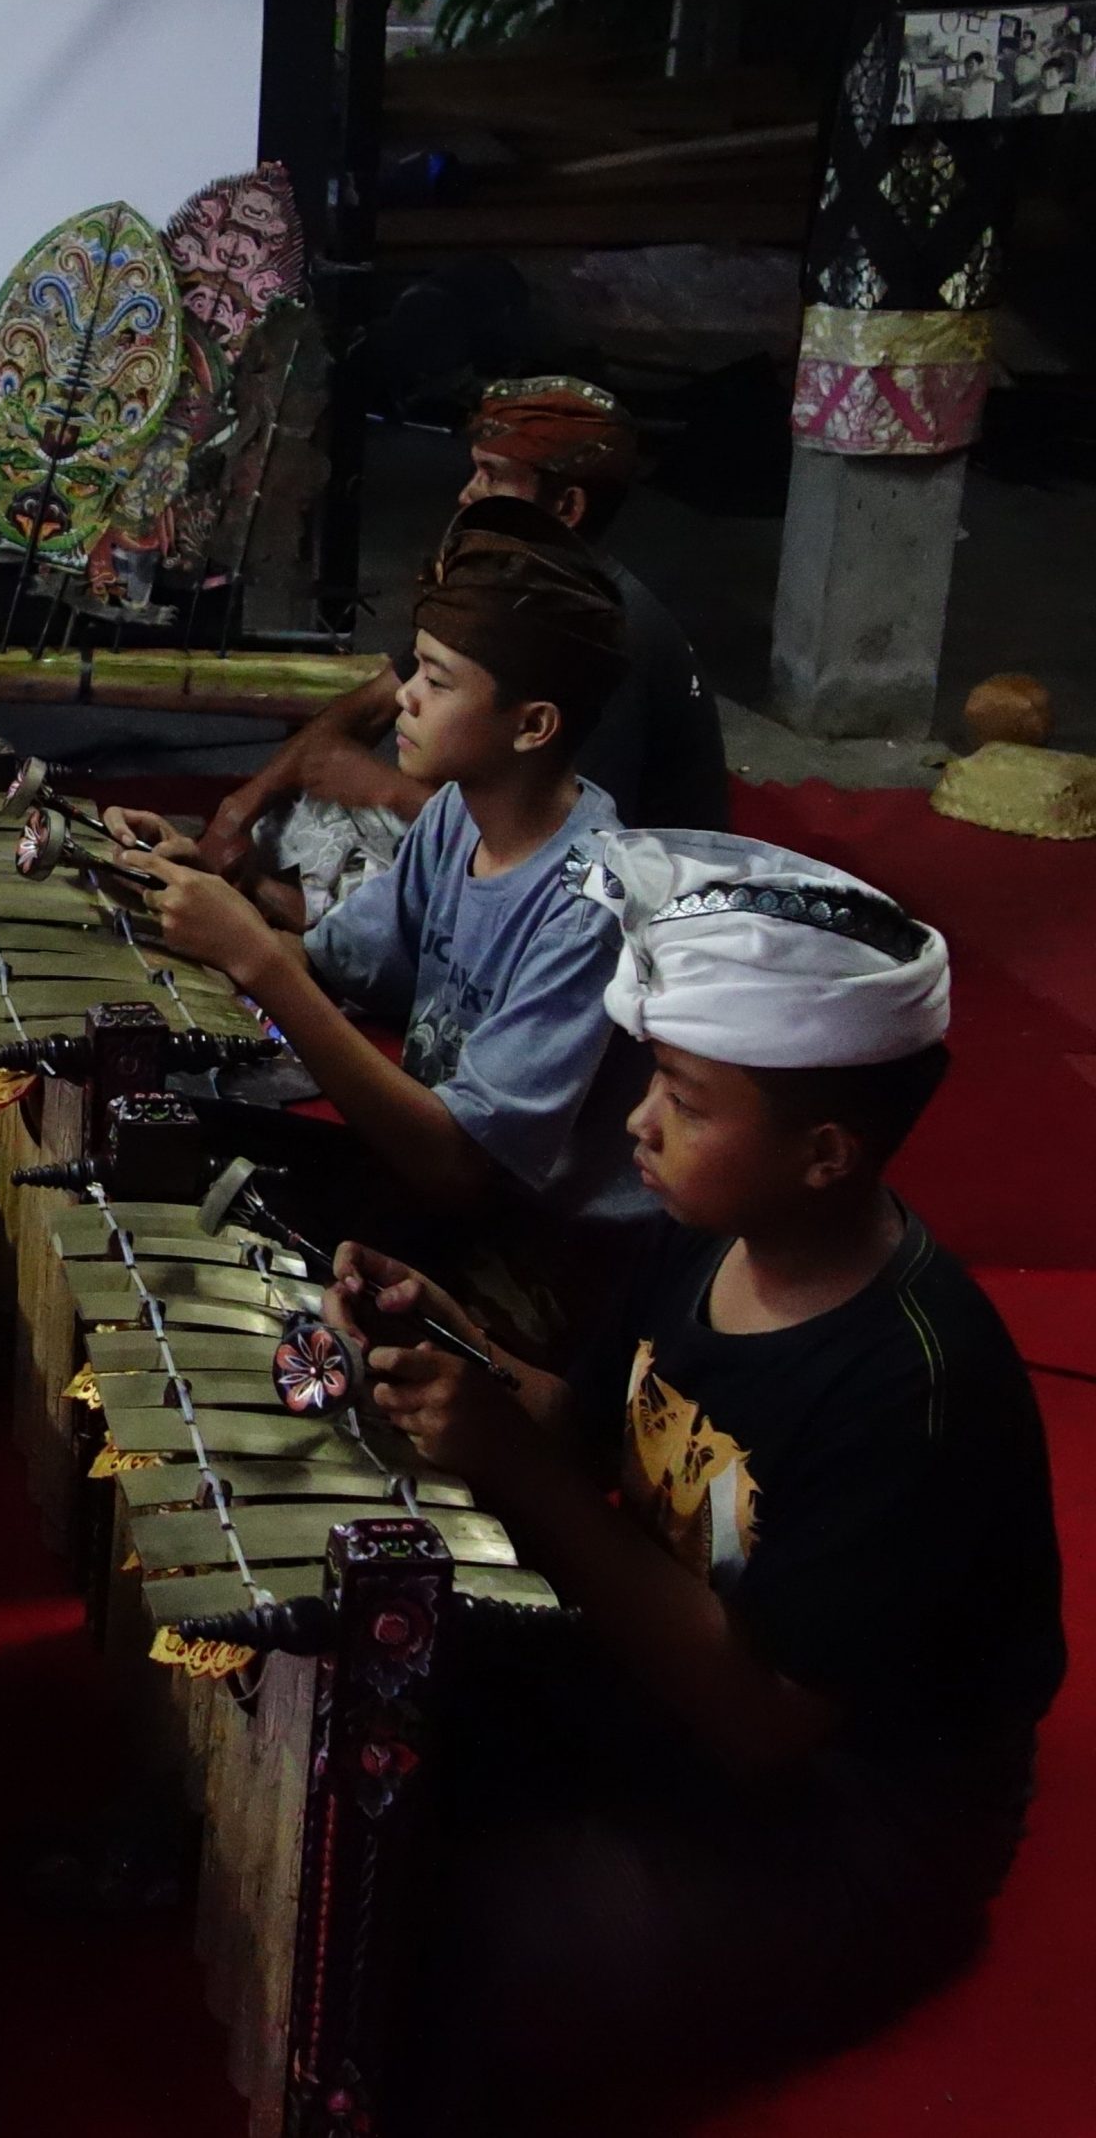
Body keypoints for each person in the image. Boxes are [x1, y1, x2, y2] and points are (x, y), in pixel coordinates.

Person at [324, 833, 1063, 2134]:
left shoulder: (913, 1382)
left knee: (498, 1941)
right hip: (677, 1669)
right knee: (356, 1682)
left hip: (858, 1818)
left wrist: (509, 1462)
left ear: (827, 1152)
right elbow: (595, 1427)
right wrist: (459, 1338)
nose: (638, 1121)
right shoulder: (705, 1231)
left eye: (683, 1096)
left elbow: (765, 1717)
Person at [136, 496, 657, 1283]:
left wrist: (256, 961)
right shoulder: (456, 815)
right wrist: (190, 883)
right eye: (416, 666)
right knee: (144, 1131)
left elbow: (460, 1166)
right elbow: (330, 961)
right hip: (428, 1185)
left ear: (534, 725)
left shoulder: (589, 903)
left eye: (438, 681)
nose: (405, 695)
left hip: (536, 1253)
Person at [127, 379, 726, 931]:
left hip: (606, 899)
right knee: (295, 818)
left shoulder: (601, 636)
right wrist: (236, 811)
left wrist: (382, 789)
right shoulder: (506, 587)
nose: (467, 493)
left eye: (492, 476)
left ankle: (271, 909)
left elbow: (558, 846)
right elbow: (362, 712)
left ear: (567, 508)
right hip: (486, 829)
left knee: (381, 874)